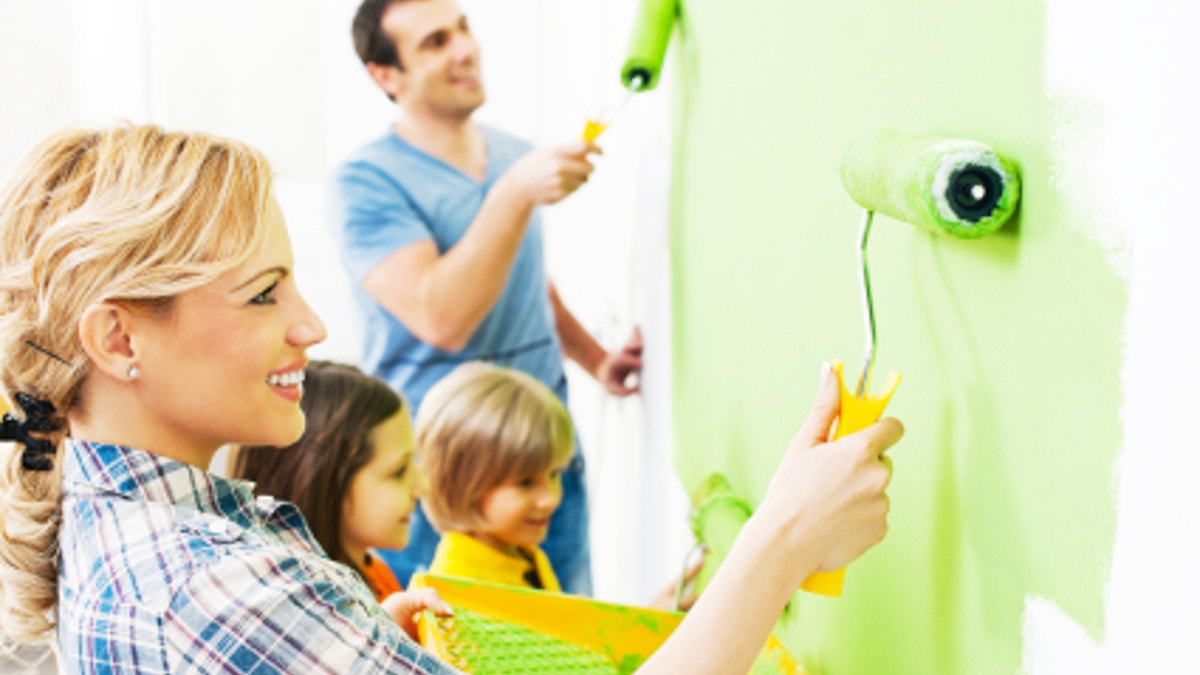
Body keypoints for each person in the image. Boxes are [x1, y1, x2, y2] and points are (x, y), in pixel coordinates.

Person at [0, 122, 903, 675]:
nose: (311, 325)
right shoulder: (218, 587)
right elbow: (227, 615)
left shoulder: (120, 529)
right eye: (263, 293)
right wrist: (782, 540)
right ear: (119, 339)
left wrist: (350, 643)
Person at [329, 0, 644, 594]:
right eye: (435, 41)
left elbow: (521, 278)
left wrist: (596, 360)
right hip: (444, 471)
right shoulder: (365, 183)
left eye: (464, 28)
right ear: (385, 75)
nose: (465, 49)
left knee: (571, 633)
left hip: (543, 449)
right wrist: (515, 193)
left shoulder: (510, 152)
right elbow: (440, 316)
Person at [415, 361, 700, 609]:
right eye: (525, 483)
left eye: (554, 475)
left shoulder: (522, 553)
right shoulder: (455, 592)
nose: (550, 498)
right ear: (463, 485)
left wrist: (645, 620)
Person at [231, 360, 453, 638]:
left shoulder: (375, 572)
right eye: (398, 472)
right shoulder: (300, 626)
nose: (423, 486)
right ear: (325, 483)